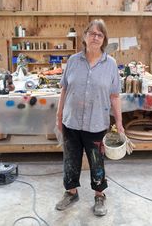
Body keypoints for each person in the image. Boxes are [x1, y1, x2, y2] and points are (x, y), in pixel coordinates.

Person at [55, 19, 124, 216]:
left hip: (96, 123)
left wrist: (119, 122)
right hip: (71, 121)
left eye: (99, 34)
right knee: (71, 160)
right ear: (84, 36)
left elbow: (115, 96)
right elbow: (64, 90)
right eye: (91, 33)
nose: (95, 37)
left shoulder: (110, 64)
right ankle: (71, 192)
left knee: (96, 161)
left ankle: (99, 195)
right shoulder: (73, 61)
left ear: (104, 40)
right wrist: (59, 116)